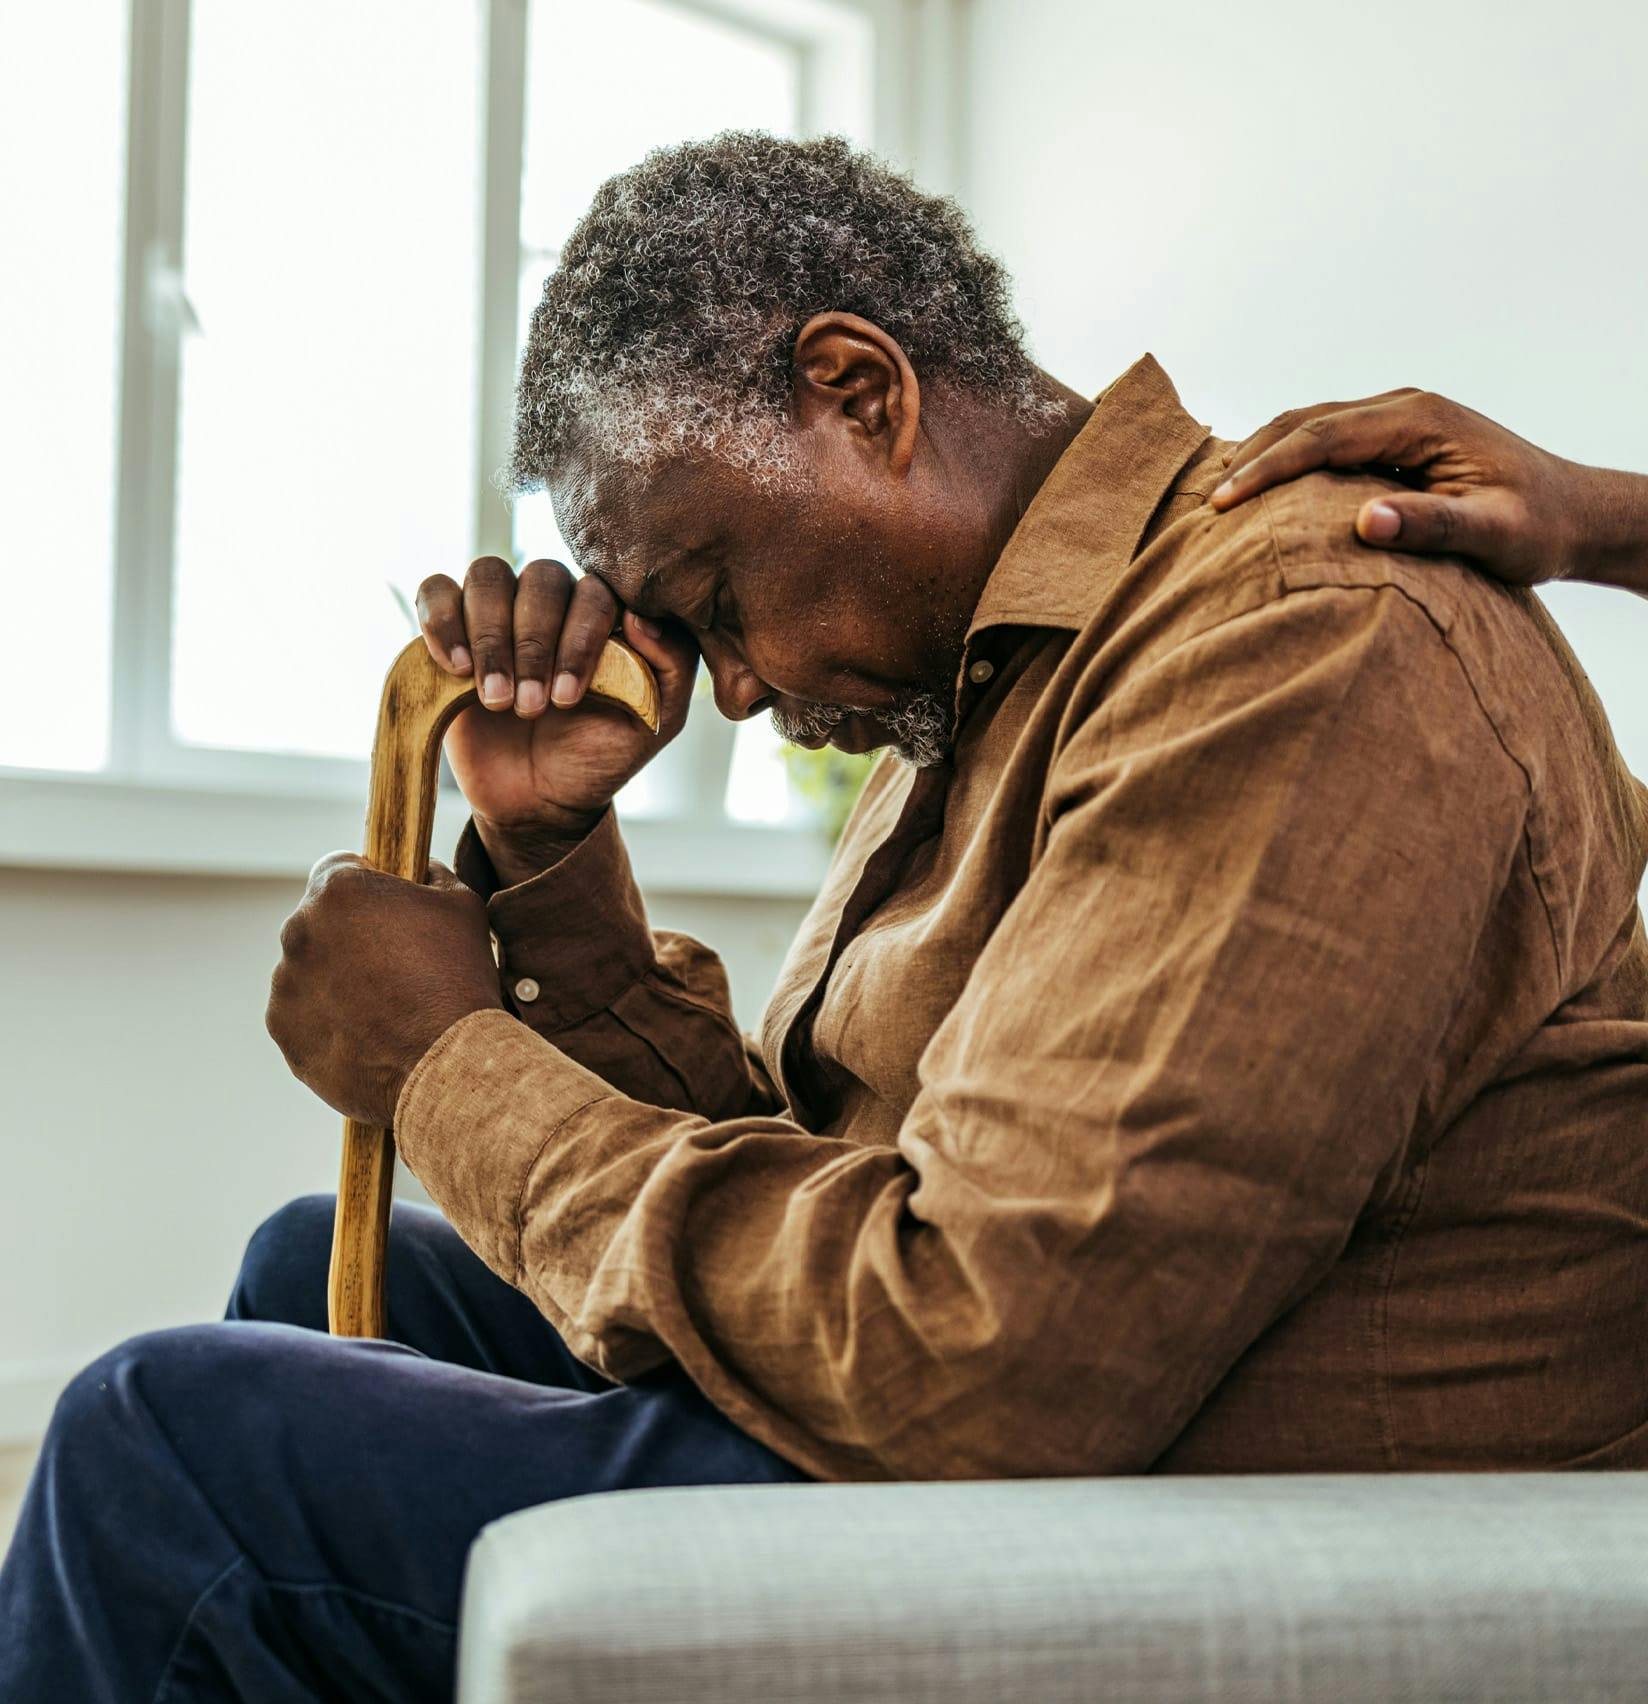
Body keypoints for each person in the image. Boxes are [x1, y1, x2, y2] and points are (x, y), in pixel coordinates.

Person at [3, 133, 1646, 1702]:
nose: (724, 688)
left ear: (861, 392)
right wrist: (553, 850)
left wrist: (448, 1064)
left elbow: (987, 1356)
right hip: (1020, 1422)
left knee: (163, 1452)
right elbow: (829, 1195)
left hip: (1127, 1480)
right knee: (317, 1269)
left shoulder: (1298, 641)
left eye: (715, 600)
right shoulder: (989, 686)